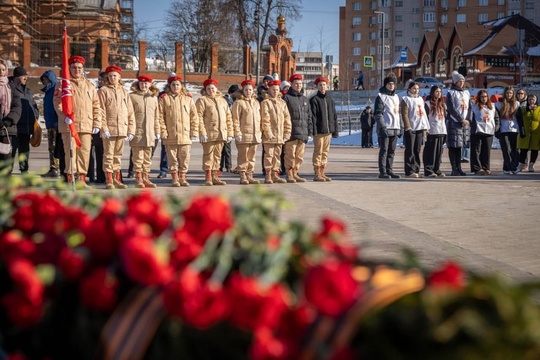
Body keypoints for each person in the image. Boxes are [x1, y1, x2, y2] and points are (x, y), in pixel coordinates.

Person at [55, 56, 102, 187]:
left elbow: (96, 105)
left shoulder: (90, 86)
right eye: (74, 67)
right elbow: (57, 102)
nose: (77, 70)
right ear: (69, 69)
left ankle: (81, 178)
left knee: (85, 152)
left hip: (86, 125)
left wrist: (97, 123)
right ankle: (71, 178)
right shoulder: (64, 84)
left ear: (83, 69)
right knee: (70, 152)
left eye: (79, 68)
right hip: (69, 125)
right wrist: (63, 116)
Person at [97, 65, 135, 189]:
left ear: (119, 77)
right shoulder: (103, 91)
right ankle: (109, 179)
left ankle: (116, 178)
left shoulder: (124, 91)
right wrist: (104, 128)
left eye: (115, 76)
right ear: (107, 77)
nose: (113, 78)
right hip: (110, 129)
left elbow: (130, 112)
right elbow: (100, 111)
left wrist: (131, 129)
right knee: (108, 155)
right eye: (110, 76)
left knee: (118, 156)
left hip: (122, 129)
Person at [158, 75, 199, 187]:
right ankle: (175, 178)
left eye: (177, 85)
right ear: (169, 86)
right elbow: (160, 117)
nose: (175, 86)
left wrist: (194, 131)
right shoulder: (164, 98)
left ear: (181, 86)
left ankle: (182, 177)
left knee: (185, 157)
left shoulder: (188, 98)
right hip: (170, 134)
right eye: (173, 85)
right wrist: (163, 131)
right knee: (172, 158)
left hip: (185, 134)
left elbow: (194, 116)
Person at [196, 78, 233, 186]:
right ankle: (208, 176)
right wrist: (202, 132)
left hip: (221, 133)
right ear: (205, 89)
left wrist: (229, 133)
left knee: (217, 156)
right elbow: (198, 117)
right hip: (209, 134)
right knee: (208, 155)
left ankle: (215, 176)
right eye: (208, 89)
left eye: (213, 88)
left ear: (216, 89)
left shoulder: (222, 101)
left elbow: (228, 117)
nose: (211, 90)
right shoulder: (202, 100)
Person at [129, 74, 160, 188]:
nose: (144, 85)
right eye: (142, 83)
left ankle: (146, 177)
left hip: (150, 133)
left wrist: (157, 131)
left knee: (147, 158)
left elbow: (156, 116)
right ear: (138, 84)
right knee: (138, 157)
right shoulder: (132, 96)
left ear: (150, 84)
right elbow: (129, 115)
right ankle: (138, 178)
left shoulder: (153, 98)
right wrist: (130, 131)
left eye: (146, 83)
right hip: (138, 132)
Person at [283, 73, 313, 182]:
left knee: (299, 156)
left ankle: (295, 173)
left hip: (303, 132)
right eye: (296, 83)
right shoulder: (286, 98)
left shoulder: (305, 99)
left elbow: (309, 116)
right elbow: (284, 116)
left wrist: (309, 132)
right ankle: (289, 174)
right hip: (292, 132)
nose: (298, 85)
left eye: (300, 83)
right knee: (290, 155)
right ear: (291, 84)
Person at [260, 79, 291, 184]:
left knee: (277, 155)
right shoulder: (265, 103)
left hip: (280, 135)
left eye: (277, 90)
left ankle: (275, 173)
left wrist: (287, 133)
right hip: (270, 136)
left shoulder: (282, 103)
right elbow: (265, 120)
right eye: (273, 90)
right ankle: (268, 174)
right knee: (269, 155)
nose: (275, 92)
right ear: (269, 90)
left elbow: (287, 119)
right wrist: (268, 134)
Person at [10, 66, 39, 175]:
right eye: (23, 75)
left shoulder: (28, 90)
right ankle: (7, 170)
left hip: (26, 127)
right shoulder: (10, 88)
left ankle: (24, 170)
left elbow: (34, 105)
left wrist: (35, 115)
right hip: (14, 127)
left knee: (24, 151)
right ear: (17, 76)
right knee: (11, 151)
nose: (26, 78)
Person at [232, 79, 261, 185]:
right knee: (243, 156)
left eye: (250, 90)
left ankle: (250, 174)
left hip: (255, 134)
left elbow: (259, 119)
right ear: (242, 91)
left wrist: (260, 132)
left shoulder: (256, 103)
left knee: (252, 156)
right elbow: (235, 119)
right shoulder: (238, 103)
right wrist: (237, 132)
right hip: (244, 134)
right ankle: (243, 175)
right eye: (246, 90)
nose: (248, 92)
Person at [310, 76, 338, 182]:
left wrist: (334, 130)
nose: (322, 87)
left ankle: (322, 172)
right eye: (320, 85)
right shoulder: (314, 100)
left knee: (325, 152)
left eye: (324, 85)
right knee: (318, 151)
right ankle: (317, 173)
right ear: (317, 86)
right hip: (319, 131)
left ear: (327, 86)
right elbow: (313, 117)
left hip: (328, 131)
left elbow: (334, 115)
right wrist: (314, 130)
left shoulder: (330, 99)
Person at [400, 81, 430, 178]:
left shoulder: (420, 99)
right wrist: (407, 126)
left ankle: (416, 169)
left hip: (420, 127)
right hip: (411, 127)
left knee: (417, 149)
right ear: (409, 89)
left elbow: (424, 114)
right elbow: (404, 114)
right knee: (410, 150)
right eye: (414, 88)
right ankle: (409, 171)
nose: (416, 90)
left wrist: (425, 126)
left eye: (417, 89)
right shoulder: (406, 99)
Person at [374, 76, 403, 179]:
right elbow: (378, 114)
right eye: (389, 84)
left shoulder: (396, 97)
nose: (391, 86)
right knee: (384, 150)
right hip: (386, 128)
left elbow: (398, 113)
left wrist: (401, 127)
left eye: (393, 84)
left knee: (392, 151)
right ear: (385, 85)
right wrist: (383, 127)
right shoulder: (381, 96)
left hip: (395, 127)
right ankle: (383, 171)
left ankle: (390, 170)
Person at [468, 89, 499, 175]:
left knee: (486, 151)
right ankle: (477, 168)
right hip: (477, 131)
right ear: (479, 97)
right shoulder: (474, 106)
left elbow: (496, 118)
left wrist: (496, 127)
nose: (484, 98)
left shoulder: (492, 106)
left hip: (489, 131)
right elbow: (470, 117)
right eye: (482, 96)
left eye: (485, 96)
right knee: (476, 150)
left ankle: (486, 167)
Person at [446, 70, 471, 176]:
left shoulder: (466, 93)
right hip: (454, 122)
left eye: (462, 81)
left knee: (460, 146)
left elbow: (469, 108)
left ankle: (459, 167)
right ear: (455, 82)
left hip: (464, 123)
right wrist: (461, 119)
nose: (461, 83)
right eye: (459, 81)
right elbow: (451, 108)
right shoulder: (451, 92)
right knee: (453, 146)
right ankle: (454, 168)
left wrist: (468, 119)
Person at [0, 59, 21, 173]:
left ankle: (5, 188)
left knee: (6, 162)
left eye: (3, 69)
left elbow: (17, 107)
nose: (1, 72)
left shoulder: (11, 87)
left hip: (7, 129)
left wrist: (8, 121)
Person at [423, 85, 447, 177]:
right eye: (437, 91)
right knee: (431, 151)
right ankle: (429, 170)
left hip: (441, 130)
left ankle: (437, 169)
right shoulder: (428, 104)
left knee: (439, 151)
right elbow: (425, 117)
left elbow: (445, 116)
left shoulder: (443, 104)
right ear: (432, 93)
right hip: (432, 130)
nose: (439, 93)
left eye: (440, 92)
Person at [40, 70, 60, 178]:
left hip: (57, 123)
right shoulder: (47, 92)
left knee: (56, 147)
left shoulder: (55, 90)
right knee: (51, 147)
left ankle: (56, 168)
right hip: (50, 124)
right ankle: (53, 168)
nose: (44, 82)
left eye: (46, 79)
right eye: (43, 80)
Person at [495, 86, 520, 174]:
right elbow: (496, 118)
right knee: (506, 149)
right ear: (504, 94)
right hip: (503, 129)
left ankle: (506, 168)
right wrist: (497, 130)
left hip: (514, 129)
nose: (509, 95)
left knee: (513, 149)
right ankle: (512, 167)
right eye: (507, 93)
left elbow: (519, 118)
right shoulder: (499, 104)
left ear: (513, 94)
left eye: (510, 93)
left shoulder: (517, 104)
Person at [87, 71, 106, 183]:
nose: (99, 82)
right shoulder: (97, 91)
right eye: (98, 80)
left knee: (102, 153)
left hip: (104, 126)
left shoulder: (104, 91)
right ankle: (93, 175)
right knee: (93, 152)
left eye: (101, 80)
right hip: (95, 125)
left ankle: (101, 176)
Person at [516, 94, 540, 173]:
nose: (531, 101)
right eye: (530, 99)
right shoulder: (523, 108)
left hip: (536, 133)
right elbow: (519, 115)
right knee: (523, 149)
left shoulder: (539, 109)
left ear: (536, 100)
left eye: (533, 99)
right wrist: (528, 109)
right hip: (525, 132)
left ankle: (531, 165)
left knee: (534, 149)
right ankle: (520, 165)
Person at [220, 84, 239, 173]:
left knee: (226, 148)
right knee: (224, 149)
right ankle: (225, 166)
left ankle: (225, 166)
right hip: (225, 127)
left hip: (228, 128)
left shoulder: (233, 100)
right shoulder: (227, 101)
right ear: (233, 92)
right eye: (236, 92)